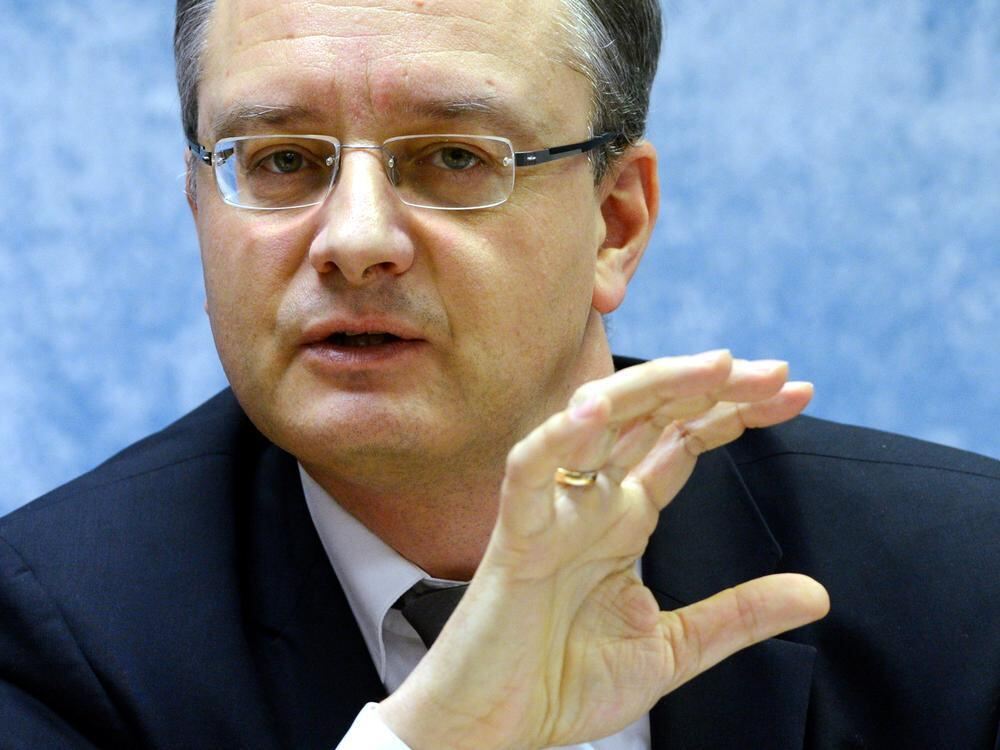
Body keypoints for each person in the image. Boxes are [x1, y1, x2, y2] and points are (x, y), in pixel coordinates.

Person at [1, 0, 997, 748]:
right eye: (283, 161)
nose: (355, 240)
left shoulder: (965, 585)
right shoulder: (50, 639)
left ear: (614, 224)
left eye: (453, 157)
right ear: (199, 206)